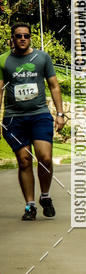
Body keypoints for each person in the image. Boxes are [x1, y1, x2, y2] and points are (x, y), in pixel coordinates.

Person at [0, 21, 66, 220]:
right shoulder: (3, 60)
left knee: (45, 158)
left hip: (40, 115)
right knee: (24, 160)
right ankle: (30, 205)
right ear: (12, 38)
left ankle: (45, 196)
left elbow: (54, 86)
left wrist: (60, 113)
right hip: (14, 118)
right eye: (18, 35)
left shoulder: (42, 57)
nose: (22, 39)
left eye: (26, 36)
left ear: (30, 38)